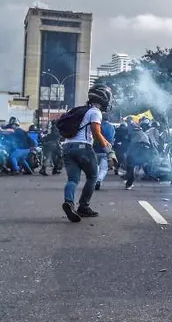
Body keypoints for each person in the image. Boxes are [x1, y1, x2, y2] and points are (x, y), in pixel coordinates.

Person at [60, 85, 113, 222]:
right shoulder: (95, 111)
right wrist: (107, 150)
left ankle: (69, 202)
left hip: (67, 147)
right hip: (83, 147)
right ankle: (83, 207)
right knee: (93, 176)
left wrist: (107, 144)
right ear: (104, 99)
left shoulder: (80, 110)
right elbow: (96, 132)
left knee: (73, 179)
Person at [124, 120, 153, 190]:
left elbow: (127, 144)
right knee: (143, 161)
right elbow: (150, 145)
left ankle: (129, 184)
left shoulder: (130, 133)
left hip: (136, 148)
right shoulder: (144, 133)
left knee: (130, 165)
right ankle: (143, 167)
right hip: (145, 149)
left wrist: (126, 153)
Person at [94, 115, 116, 190]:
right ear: (108, 119)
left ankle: (95, 180)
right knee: (104, 168)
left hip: (96, 148)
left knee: (96, 166)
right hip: (107, 149)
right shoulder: (112, 127)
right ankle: (99, 180)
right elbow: (113, 138)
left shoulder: (97, 126)